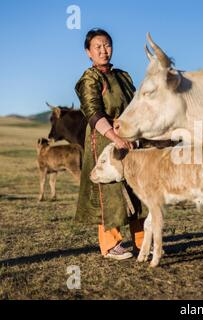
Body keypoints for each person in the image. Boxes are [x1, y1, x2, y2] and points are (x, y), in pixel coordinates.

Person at [74, 28, 146, 260]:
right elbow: (93, 112)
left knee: (138, 189)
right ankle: (110, 244)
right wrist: (115, 137)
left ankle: (143, 241)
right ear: (88, 52)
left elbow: (135, 105)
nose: (104, 50)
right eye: (98, 46)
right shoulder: (90, 78)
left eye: (107, 45)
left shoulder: (123, 76)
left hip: (130, 138)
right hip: (104, 138)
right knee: (109, 191)